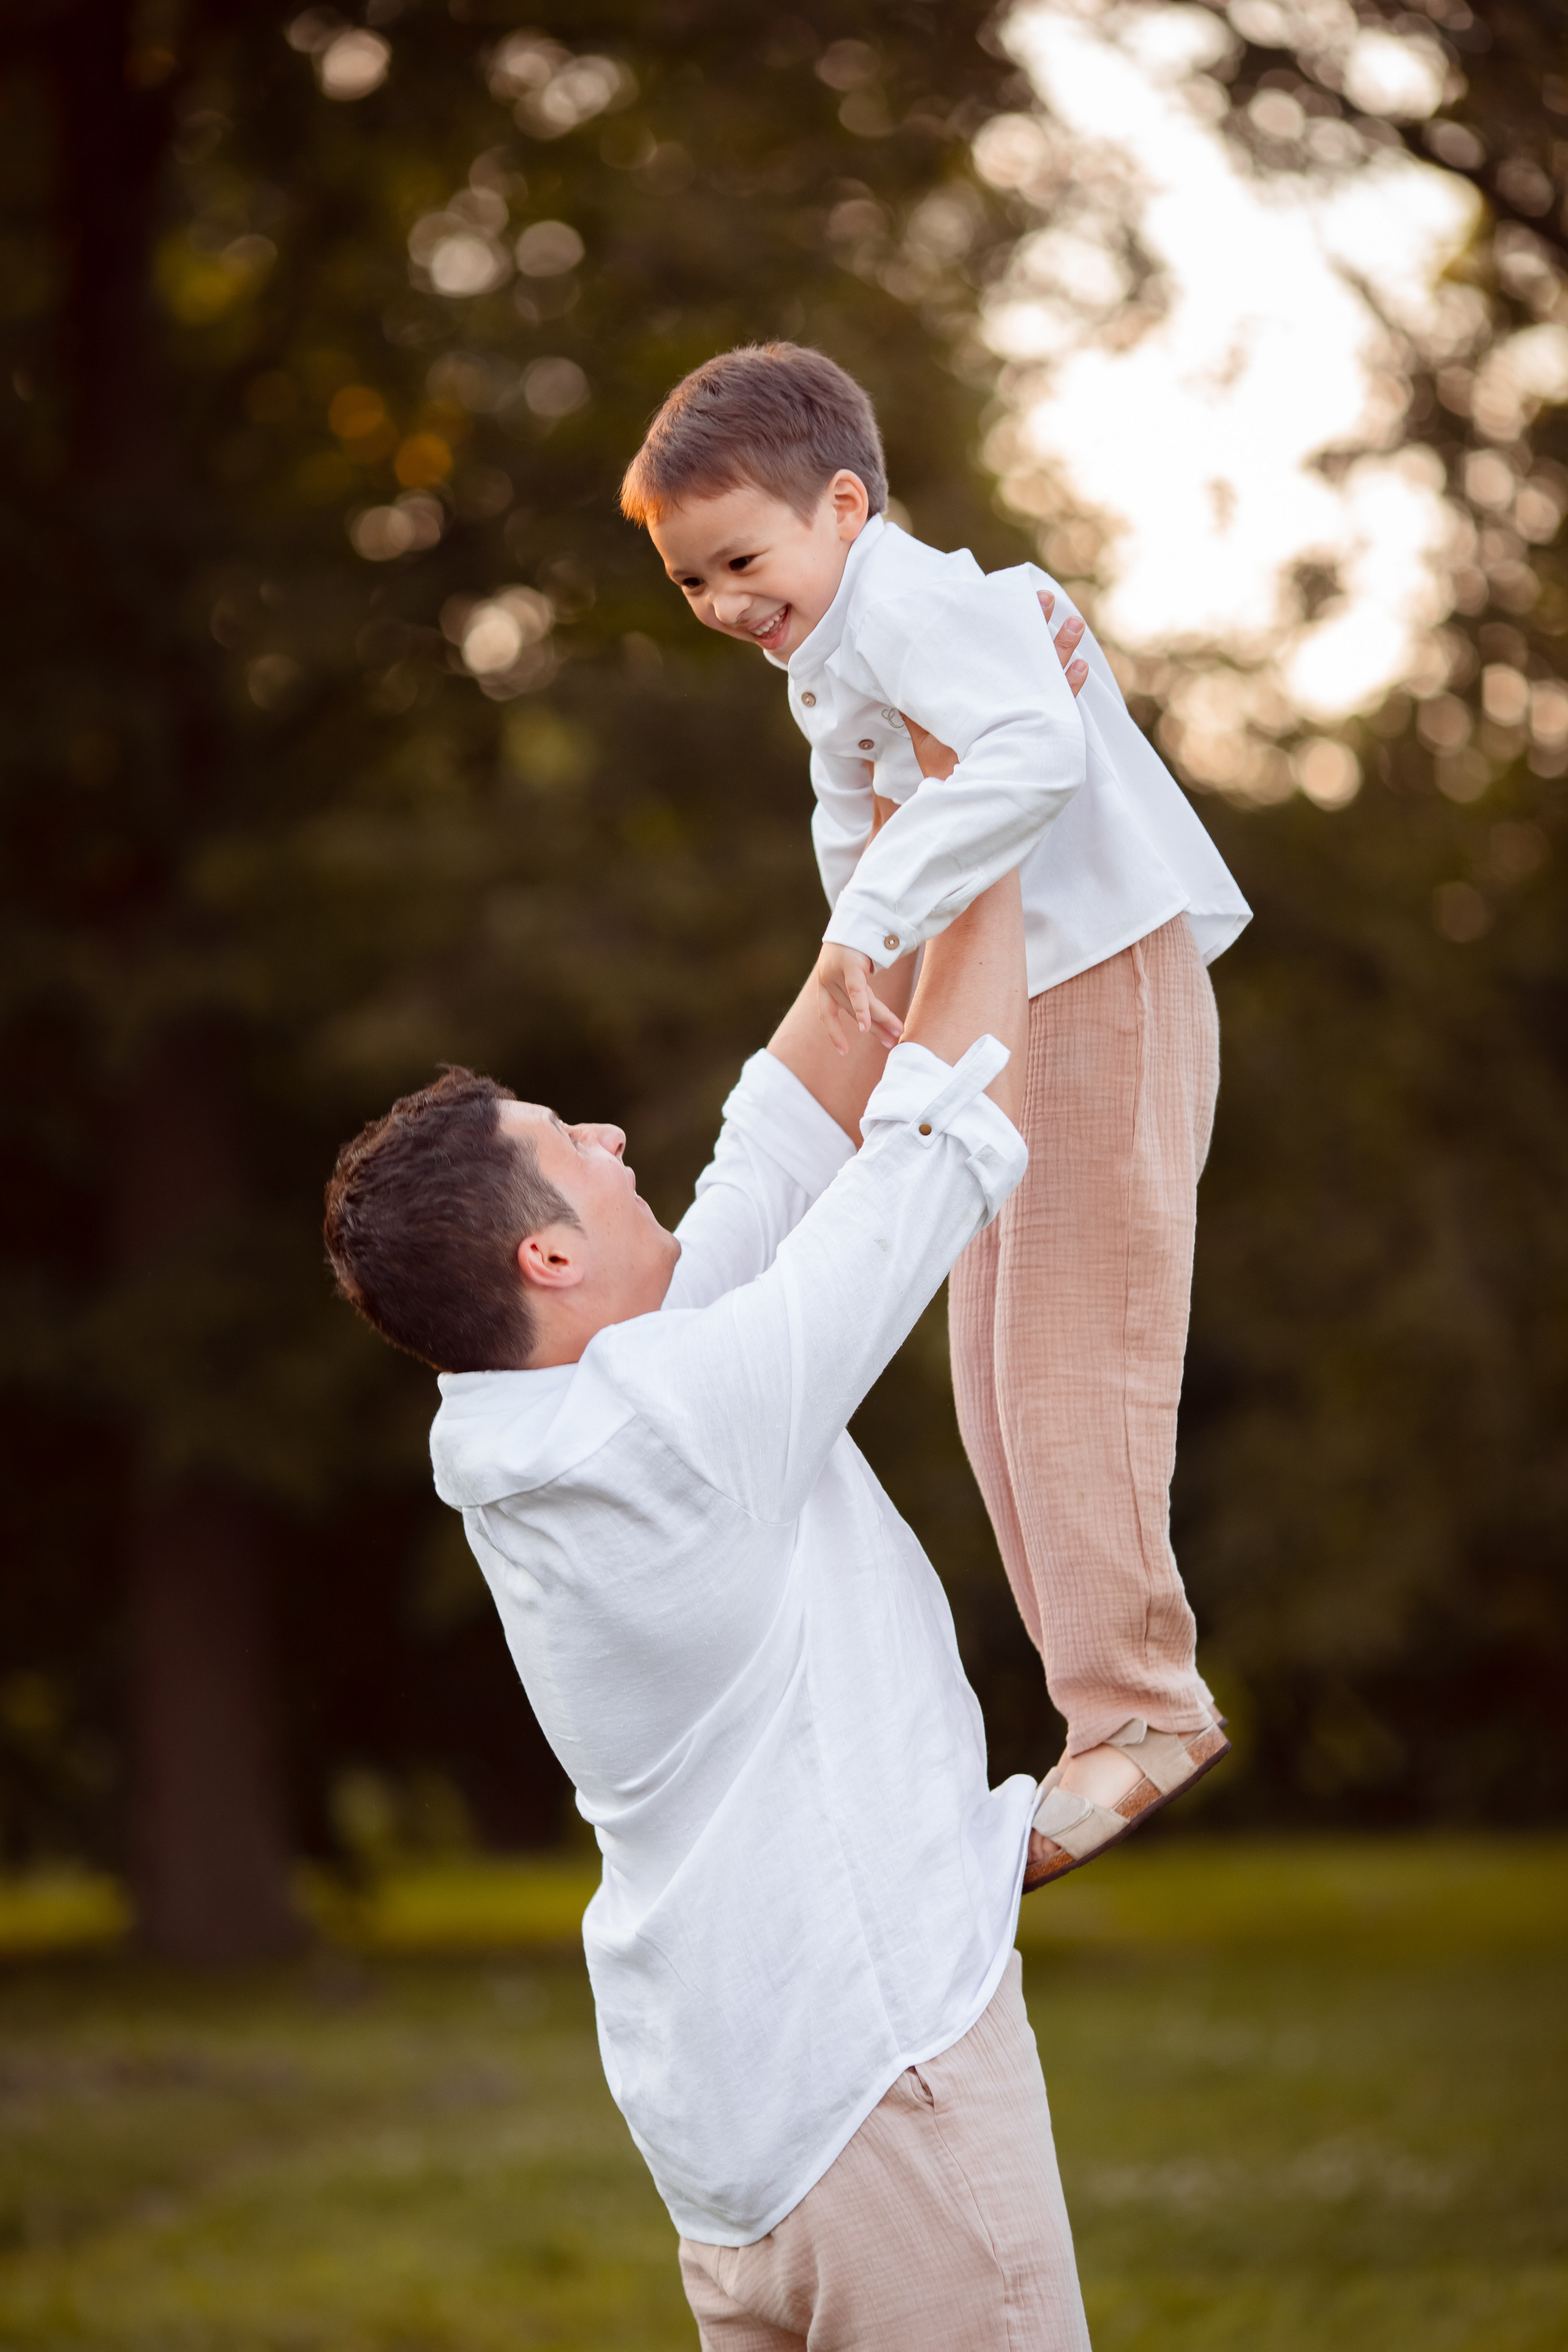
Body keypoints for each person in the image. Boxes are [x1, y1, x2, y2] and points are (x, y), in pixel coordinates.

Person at [322, 633, 1094, 2349]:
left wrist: (894, 825)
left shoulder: (550, 1417)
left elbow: (787, 1121)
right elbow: (935, 1138)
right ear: (546, 1255)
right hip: (883, 2090)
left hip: (736, 2153)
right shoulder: (679, 1425)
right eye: (570, 1146)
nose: (610, 1138)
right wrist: (1002, 777)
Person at [620, 340, 1251, 1883]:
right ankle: (1094, 1705)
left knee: (1070, 1359)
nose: (721, 605)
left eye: (741, 563)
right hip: (1006, 1004)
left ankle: (1144, 1706)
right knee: (989, 1385)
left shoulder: (924, 607)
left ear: (844, 507)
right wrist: (863, 954)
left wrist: (876, 916)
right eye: (691, 582)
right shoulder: (836, 645)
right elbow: (856, 817)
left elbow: (1030, 749)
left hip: (1102, 974)